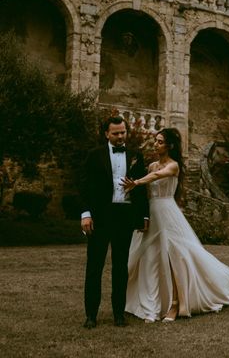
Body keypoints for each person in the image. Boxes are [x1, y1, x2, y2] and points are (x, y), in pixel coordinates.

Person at [123, 128, 229, 323]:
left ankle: (176, 304)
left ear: (169, 145)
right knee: (149, 258)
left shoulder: (174, 166)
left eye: (160, 142)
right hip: (152, 214)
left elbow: (155, 177)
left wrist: (136, 182)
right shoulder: (151, 165)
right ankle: (151, 307)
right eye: (155, 141)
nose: (156, 144)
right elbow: (146, 189)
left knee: (174, 258)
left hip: (167, 212)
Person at [80, 116, 149, 329]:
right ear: (106, 134)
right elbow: (84, 185)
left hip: (125, 216)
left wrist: (144, 216)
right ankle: (91, 315)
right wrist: (85, 214)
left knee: (120, 267)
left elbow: (141, 189)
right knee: (94, 266)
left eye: (123, 132)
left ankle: (119, 313)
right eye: (116, 133)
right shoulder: (94, 155)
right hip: (100, 217)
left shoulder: (136, 156)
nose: (121, 137)